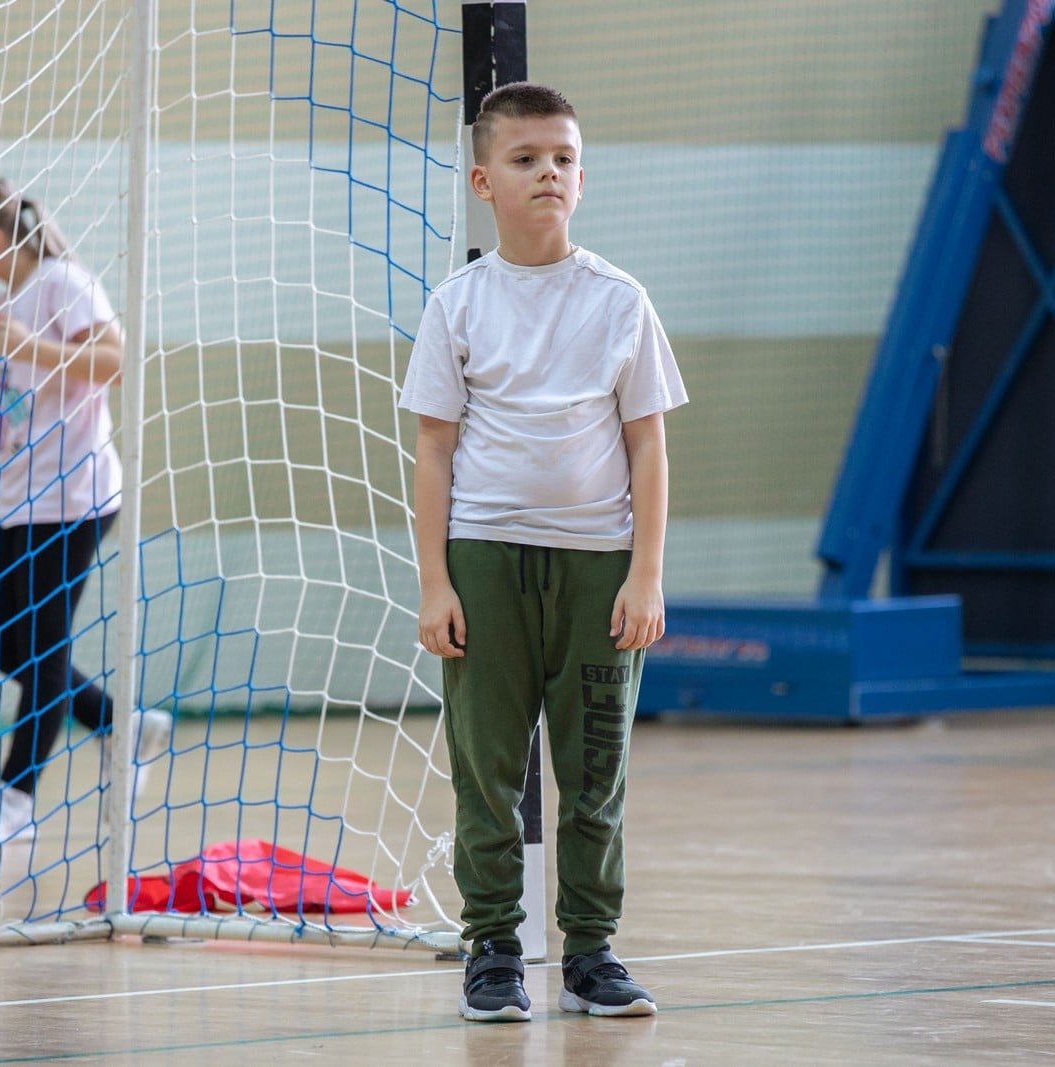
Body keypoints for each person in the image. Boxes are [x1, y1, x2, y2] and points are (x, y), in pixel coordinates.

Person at [399, 84, 687, 1022]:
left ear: (582, 178)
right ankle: (492, 951)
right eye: (525, 159)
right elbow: (433, 448)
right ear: (484, 181)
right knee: (486, 772)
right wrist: (436, 582)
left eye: (563, 158)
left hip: (599, 567)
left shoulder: (620, 301)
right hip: (485, 564)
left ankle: (591, 953)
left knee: (595, 769)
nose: (548, 173)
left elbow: (647, 443)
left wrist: (645, 572)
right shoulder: (458, 305)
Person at [0, 172, 170, 846]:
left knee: (43, 644)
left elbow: (119, 360)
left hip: (73, 498)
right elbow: (13, 414)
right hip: (15, 498)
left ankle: (14, 801)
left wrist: (28, 347)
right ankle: (119, 723)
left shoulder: (64, 283)